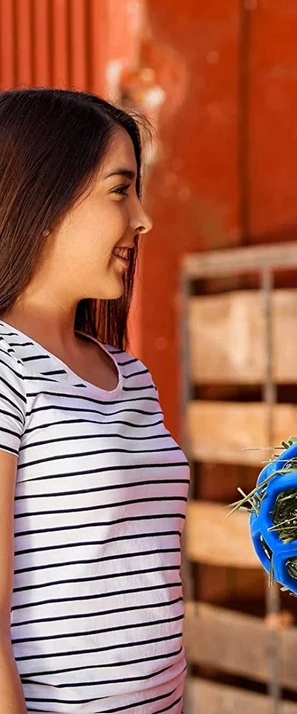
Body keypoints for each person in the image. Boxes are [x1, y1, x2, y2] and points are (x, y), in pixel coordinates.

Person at [0, 89, 188, 713]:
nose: (143, 218)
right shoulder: (5, 367)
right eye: (120, 189)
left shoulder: (131, 375)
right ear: (43, 198)